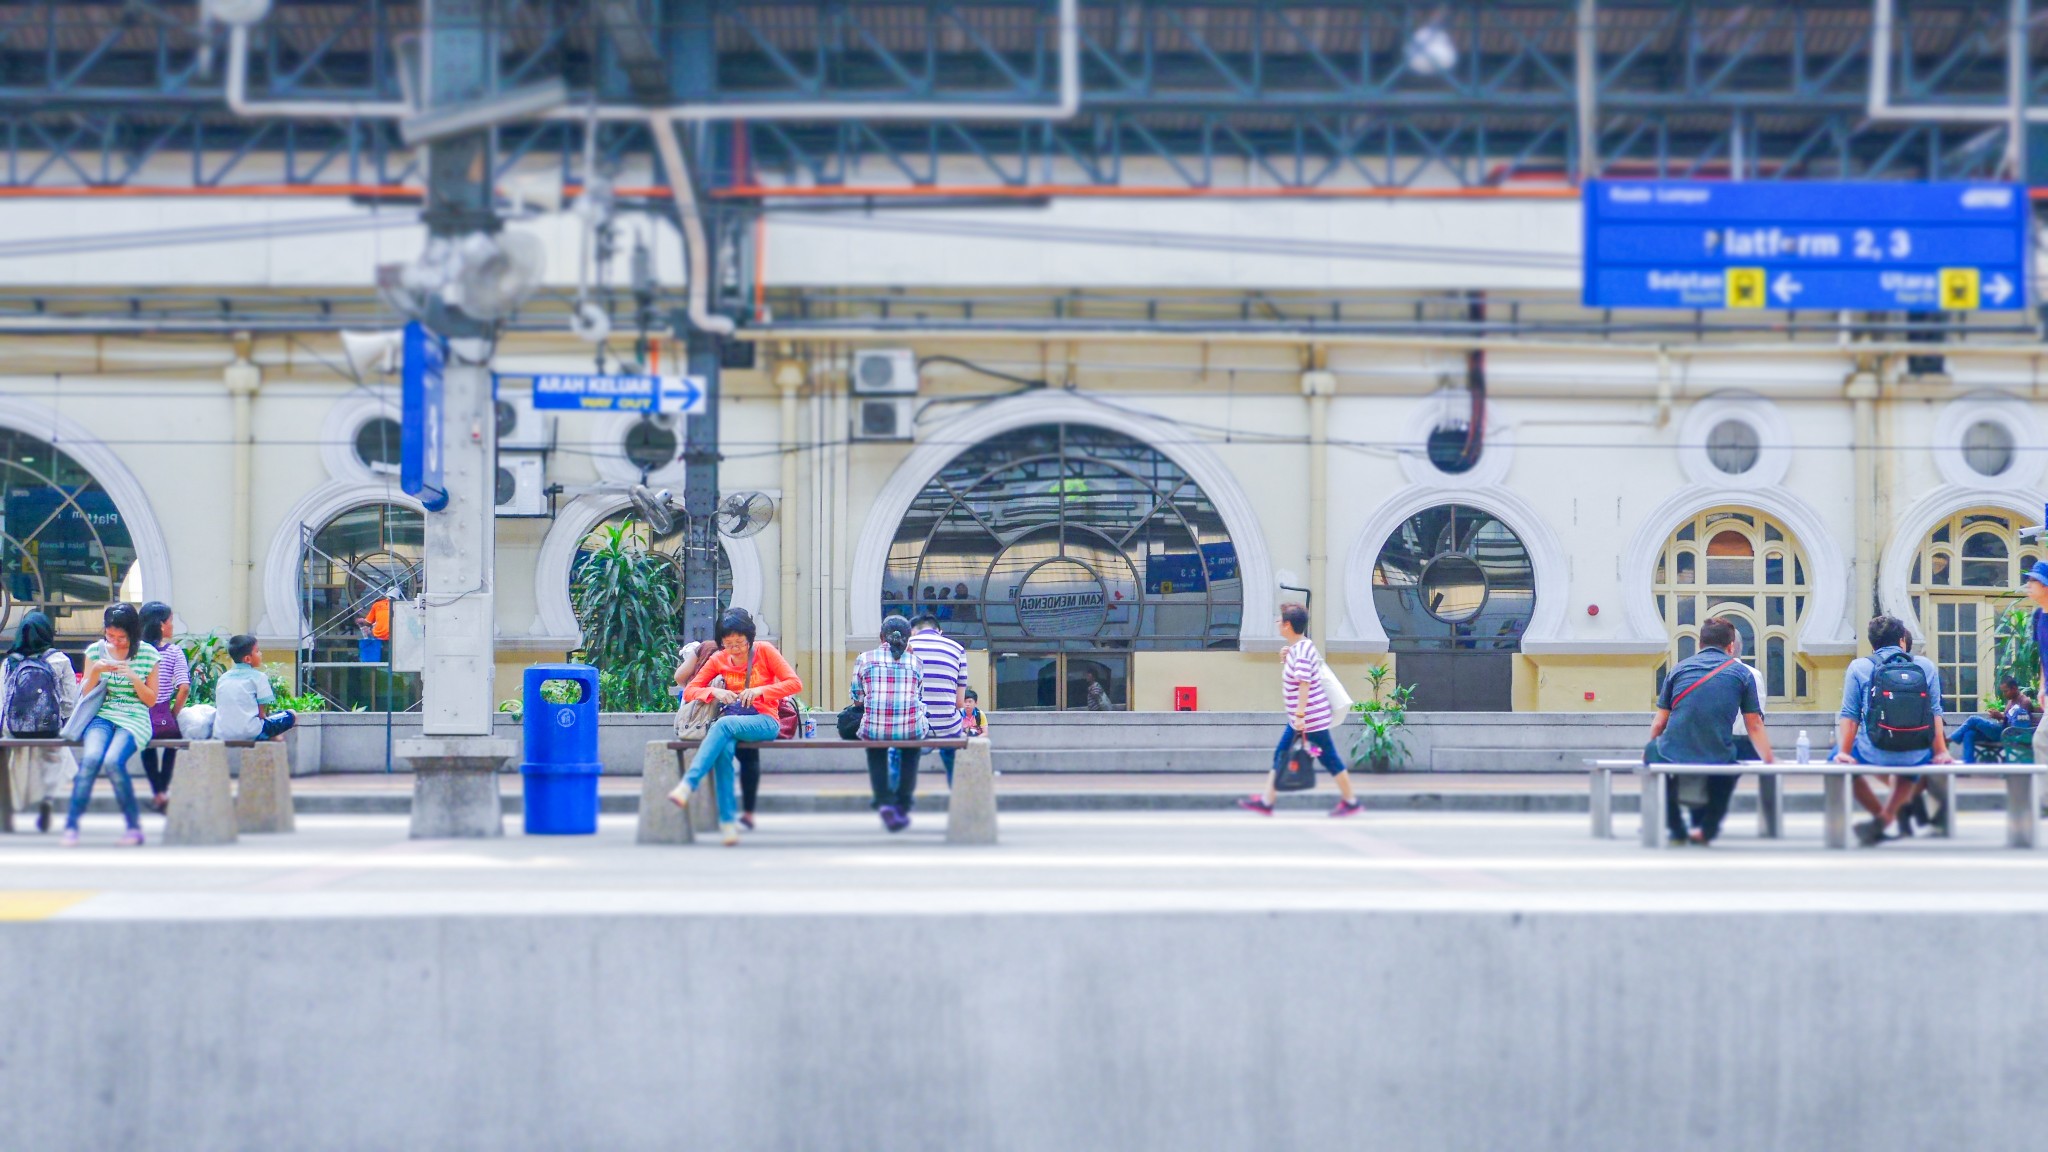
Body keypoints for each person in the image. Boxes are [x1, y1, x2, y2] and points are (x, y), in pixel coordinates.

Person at [671, 610, 802, 846]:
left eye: (740, 643)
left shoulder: (765, 651)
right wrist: (715, 692)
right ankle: (728, 824)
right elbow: (690, 690)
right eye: (728, 644)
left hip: (765, 719)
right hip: (733, 720)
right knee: (724, 753)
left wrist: (761, 691)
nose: (735, 649)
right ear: (721, 643)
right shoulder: (718, 658)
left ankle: (688, 784)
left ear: (749, 639)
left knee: (723, 725)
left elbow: (794, 683)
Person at [1644, 616, 1775, 846]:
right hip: (1717, 751)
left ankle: (1676, 828)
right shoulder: (1742, 673)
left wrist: (1652, 748)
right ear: (1731, 646)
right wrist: (1770, 759)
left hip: (1675, 751)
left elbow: (1658, 723)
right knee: (1730, 768)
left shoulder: (1678, 669)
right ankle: (1707, 828)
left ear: (1700, 644)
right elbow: (1754, 724)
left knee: (1654, 758)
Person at [1835, 614, 1953, 847]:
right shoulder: (1925, 666)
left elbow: (1850, 716)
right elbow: (1935, 713)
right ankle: (1887, 817)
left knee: (1836, 762)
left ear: (1872, 643)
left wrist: (1844, 752)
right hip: (1916, 754)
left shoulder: (1859, 667)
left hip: (1873, 751)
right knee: (1910, 763)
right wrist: (1940, 751)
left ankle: (1882, 817)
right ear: (1902, 639)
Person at [1237, 603, 1363, 818]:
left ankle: (1350, 801)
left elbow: (1304, 683)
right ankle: (1267, 801)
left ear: (1287, 625)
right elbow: (1299, 677)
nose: (1277, 624)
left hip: (1308, 719)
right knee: (1284, 754)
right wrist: (1287, 657)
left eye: (1279, 621)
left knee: (1328, 758)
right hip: (1303, 718)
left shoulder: (1302, 650)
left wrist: (1300, 715)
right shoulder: (1299, 648)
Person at [62, 603, 161, 847]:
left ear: (133, 634)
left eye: (122, 638)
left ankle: (133, 828)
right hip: (102, 714)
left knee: (113, 761)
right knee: (92, 759)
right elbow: (85, 693)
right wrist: (95, 670)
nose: (115, 642)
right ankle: (72, 826)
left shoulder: (148, 654)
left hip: (134, 716)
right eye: (110, 636)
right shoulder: (95, 651)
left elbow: (150, 700)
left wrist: (134, 676)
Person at [0, 611, 79, 833]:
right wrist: (61, 720)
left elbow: (2, 698)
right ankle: (46, 802)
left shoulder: (10, 663)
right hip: (48, 729)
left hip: (15, 730)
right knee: (53, 762)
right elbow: (69, 700)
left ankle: (12, 810)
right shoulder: (59, 660)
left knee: (15, 764)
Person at [852, 614, 926, 832]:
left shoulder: (864, 659)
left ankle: (884, 802)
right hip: (910, 729)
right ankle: (902, 804)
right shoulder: (916, 662)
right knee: (911, 750)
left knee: (875, 750)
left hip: (875, 729)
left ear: (881, 636)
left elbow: (857, 697)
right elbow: (919, 695)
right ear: (908, 639)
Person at [136, 601, 189, 812]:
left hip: (140, 715)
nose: (172, 626)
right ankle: (162, 791)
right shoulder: (174, 652)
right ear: (160, 625)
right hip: (163, 714)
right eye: (170, 621)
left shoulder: (135, 652)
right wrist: (173, 714)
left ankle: (157, 791)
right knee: (171, 745)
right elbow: (183, 688)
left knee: (146, 748)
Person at [904, 613, 967, 786]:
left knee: (897, 753)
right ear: (939, 631)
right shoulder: (957, 649)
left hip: (910, 726)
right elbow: (960, 703)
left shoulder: (905, 647)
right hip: (947, 728)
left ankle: (898, 797)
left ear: (913, 632)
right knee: (952, 746)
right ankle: (957, 793)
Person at [214, 635, 297, 743]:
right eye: (257, 651)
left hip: (222, 733)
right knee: (292, 714)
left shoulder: (223, 678)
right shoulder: (259, 677)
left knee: (272, 734)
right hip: (249, 732)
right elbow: (262, 715)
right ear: (248, 659)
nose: (261, 654)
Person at [1952, 675, 2036, 764]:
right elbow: (2008, 719)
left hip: (2008, 735)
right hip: (2002, 732)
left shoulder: (2024, 702)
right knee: (1969, 734)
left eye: (2005, 691)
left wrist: (2001, 717)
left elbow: (2018, 726)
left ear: (2014, 688)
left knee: (1973, 719)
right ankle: (1968, 765)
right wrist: (1998, 716)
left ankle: (1951, 739)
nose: (2004, 694)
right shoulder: (2011, 701)